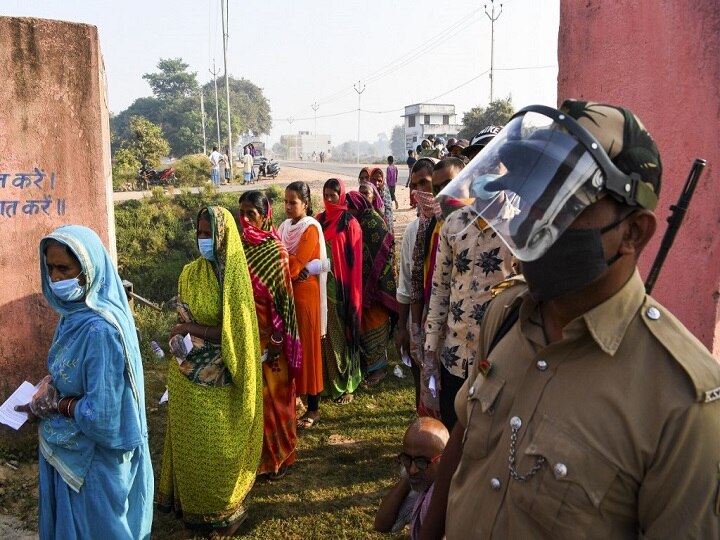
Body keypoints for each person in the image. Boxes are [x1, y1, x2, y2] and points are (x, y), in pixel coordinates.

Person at [421, 100, 720, 539]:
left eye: (568, 200)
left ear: (633, 232)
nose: (536, 215)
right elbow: (464, 443)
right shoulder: (505, 315)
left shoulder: (683, 403)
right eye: (535, 190)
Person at [16, 225, 153, 540]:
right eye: (50, 268)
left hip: (95, 461)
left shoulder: (99, 331)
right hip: (71, 444)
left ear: (88, 269)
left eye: (65, 268)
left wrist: (57, 404)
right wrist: (48, 386)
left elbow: (102, 414)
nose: (57, 278)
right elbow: (71, 370)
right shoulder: (73, 315)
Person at [158, 206, 262, 537]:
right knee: (193, 452)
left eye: (208, 233)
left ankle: (226, 513)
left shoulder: (234, 278)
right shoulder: (190, 272)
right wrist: (182, 331)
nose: (203, 239)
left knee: (218, 451)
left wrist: (190, 327)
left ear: (223, 236)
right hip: (187, 379)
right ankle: (195, 514)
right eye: (199, 233)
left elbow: (236, 331)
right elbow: (182, 319)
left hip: (221, 379)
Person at [423, 170, 515, 430]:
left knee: (489, 433)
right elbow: (440, 288)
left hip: (497, 354)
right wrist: (431, 345)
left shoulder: (518, 227)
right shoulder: (454, 225)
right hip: (455, 353)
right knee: (453, 429)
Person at [238, 191, 302, 480]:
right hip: (247, 336)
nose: (246, 219)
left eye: (252, 213)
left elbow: (284, 299)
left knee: (276, 399)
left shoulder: (275, 250)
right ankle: (261, 458)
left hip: (271, 337)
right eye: (242, 213)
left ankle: (282, 454)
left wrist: (278, 338)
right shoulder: (236, 249)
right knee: (254, 402)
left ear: (265, 217)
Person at [278, 181, 327, 428]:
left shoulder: (310, 228)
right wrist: (292, 267)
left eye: (293, 202)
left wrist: (295, 267)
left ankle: (314, 408)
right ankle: (295, 396)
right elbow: (279, 258)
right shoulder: (284, 227)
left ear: (305, 204)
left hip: (305, 298)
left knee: (307, 349)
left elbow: (295, 264)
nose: (287, 206)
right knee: (290, 347)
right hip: (287, 294)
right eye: (285, 201)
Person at [316, 179, 363, 404]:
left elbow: (355, 261)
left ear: (341, 195)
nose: (329, 199)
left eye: (333, 195)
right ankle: (327, 382)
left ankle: (348, 384)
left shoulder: (350, 223)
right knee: (324, 338)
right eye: (326, 195)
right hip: (320, 288)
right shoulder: (319, 220)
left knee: (342, 337)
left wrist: (353, 294)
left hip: (342, 290)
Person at [346, 190, 399, 387]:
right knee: (363, 325)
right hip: (361, 283)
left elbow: (381, 248)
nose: (348, 210)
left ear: (359, 205)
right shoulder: (352, 222)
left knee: (375, 322)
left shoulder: (371, 220)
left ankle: (380, 368)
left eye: (350, 206)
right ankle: (369, 365)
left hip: (376, 284)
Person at [374, 417, 449, 538]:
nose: (413, 470)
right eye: (406, 458)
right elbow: (382, 524)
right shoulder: (422, 483)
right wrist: (408, 478)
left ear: (443, 458)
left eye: (422, 461)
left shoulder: (452, 494)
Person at [407, 157, 441, 417]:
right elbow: (416, 279)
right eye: (415, 185)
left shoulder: (452, 222)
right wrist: (415, 328)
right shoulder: (422, 225)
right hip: (430, 315)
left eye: (426, 184)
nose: (421, 192)